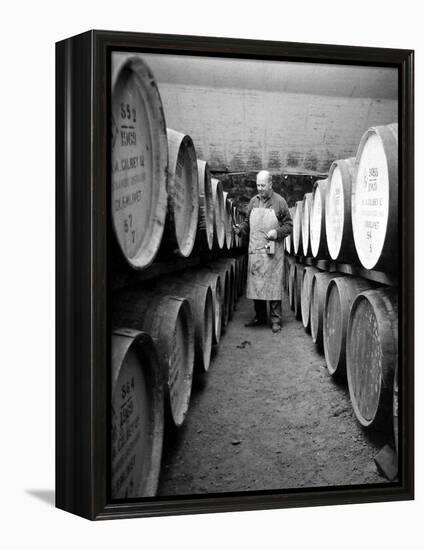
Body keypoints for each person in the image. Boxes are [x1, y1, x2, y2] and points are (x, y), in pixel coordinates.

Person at [234, 170, 293, 333]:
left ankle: (275, 320)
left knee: (273, 285)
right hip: (256, 250)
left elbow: (289, 225)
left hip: (272, 251)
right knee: (257, 285)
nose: (260, 188)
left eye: (263, 185)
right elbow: (247, 223)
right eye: (258, 185)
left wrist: (277, 233)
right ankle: (260, 317)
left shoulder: (280, 202)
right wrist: (241, 229)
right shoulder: (253, 202)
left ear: (270, 184)